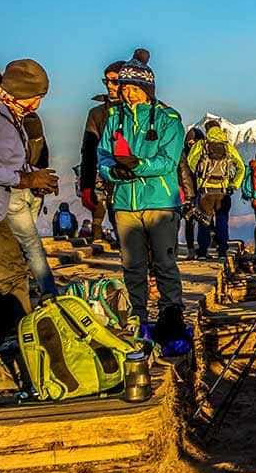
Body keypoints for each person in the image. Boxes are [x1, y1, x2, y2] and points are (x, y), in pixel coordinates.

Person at [97, 48, 190, 357]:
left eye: (134, 88)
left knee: (164, 263)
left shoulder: (167, 119)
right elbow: (102, 156)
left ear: (148, 89)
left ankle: (171, 318)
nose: (128, 94)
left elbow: (168, 160)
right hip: (124, 202)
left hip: (159, 202)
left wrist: (136, 165)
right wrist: (113, 171)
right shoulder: (115, 119)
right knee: (131, 266)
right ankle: (136, 320)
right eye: (124, 88)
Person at [0, 59, 60, 341]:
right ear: (23, 92)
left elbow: (4, 158)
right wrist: (23, 180)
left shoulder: (6, 111)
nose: (38, 105)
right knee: (0, 275)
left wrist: (35, 175)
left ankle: (14, 346)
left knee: (18, 274)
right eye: (37, 97)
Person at [5, 97, 59, 296]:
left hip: (17, 186)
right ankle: (43, 289)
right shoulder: (33, 119)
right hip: (34, 188)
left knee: (26, 245)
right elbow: (43, 154)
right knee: (30, 244)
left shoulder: (5, 118)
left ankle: (46, 291)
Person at [78, 60, 124, 247]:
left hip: (141, 181)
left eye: (115, 81)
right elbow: (88, 151)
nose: (110, 86)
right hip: (110, 179)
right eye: (107, 81)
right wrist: (86, 185)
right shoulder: (97, 114)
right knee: (120, 226)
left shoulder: (147, 111)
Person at [186, 119, 245, 259]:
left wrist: (200, 175)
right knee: (222, 221)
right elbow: (241, 167)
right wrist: (234, 184)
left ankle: (202, 252)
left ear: (207, 130)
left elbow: (190, 161)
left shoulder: (202, 145)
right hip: (223, 191)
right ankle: (222, 250)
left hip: (206, 190)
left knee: (204, 222)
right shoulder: (228, 147)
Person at [178, 127, 203, 259]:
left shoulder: (182, 154)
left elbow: (183, 175)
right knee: (194, 220)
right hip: (196, 192)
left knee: (189, 221)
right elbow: (185, 175)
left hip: (188, 192)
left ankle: (191, 249)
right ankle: (196, 249)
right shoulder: (203, 153)